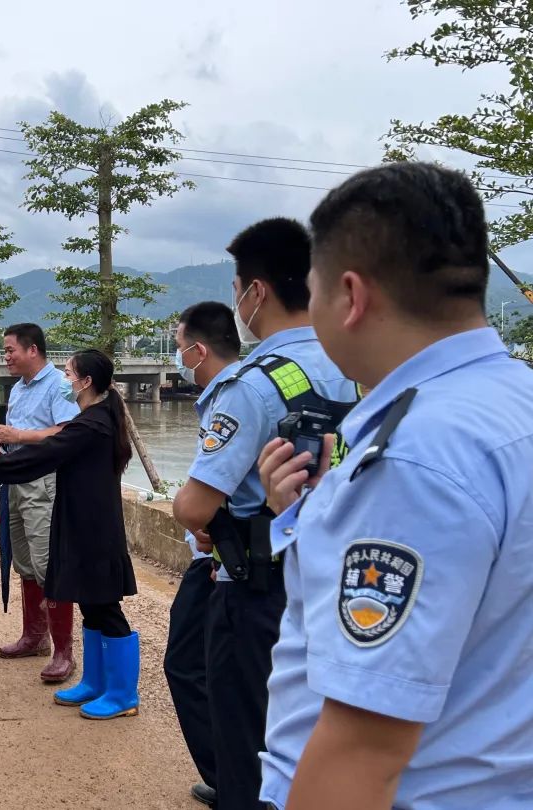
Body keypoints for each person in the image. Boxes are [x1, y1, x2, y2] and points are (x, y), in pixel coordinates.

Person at [257, 163, 533, 810]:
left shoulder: (414, 458)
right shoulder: (512, 403)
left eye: (314, 291)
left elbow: (362, 751)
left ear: (350, 296)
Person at [172, 218, 357, 810]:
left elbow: (193, 506)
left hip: (260, 585)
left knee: (248, 733)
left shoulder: (251, 385)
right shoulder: (358, 368)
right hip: (346, 576)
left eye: (236, 288)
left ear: (256, 292)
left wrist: (198, 515)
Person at [0, 349, 139, 720]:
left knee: (106, 608)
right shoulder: (93, 418)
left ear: (86, 382)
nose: (65, 380)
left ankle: (123, 695)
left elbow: (43, 455)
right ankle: (95, 682)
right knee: (90, 604)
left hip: (96, 529)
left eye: (69, 374)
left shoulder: (93, 424)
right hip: (82, 523)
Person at [164, 302, 242, 809]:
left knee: (189, 664)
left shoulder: (235, 396)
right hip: (220, 553)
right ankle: (232, 776)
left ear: (198, 350)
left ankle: (231, 779)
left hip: (224, 560)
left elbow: (194, 504)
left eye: (178, 347)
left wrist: (199, 518)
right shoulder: (229, 393)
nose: (177, 358)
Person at [0, 323, 80, 683]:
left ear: (32, 350)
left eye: (10, 350)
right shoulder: (18, 388)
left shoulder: (59, 385)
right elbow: (17, 433)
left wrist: (20, 435)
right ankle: (34, 637)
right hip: (16, 479)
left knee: (48, 563)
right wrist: (5, 444)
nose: (6, 357)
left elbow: (69, 431)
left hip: (44, 482)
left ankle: (63, 651)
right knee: (24, 561)